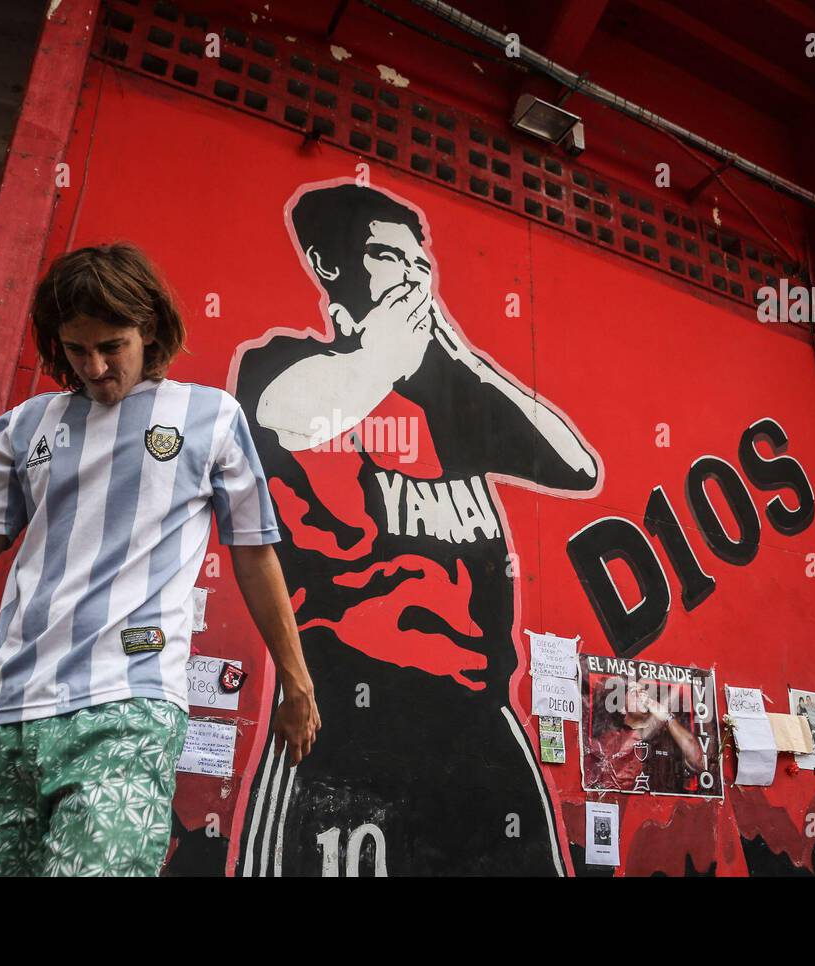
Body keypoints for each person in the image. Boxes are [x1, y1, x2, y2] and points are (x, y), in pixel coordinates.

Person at [0, 242, 320, 876]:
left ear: (151, 331)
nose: (94, 365)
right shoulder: (19, 429)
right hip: (7, 713)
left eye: (112, 346)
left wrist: (297, 682)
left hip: (128, 707)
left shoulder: (211, 418)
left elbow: (254, 556)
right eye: (77, 349)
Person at [232, 181, 603, 875]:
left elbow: (576, 465)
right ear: (332, 265)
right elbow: (291, 414)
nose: (410, 274)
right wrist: (382, 356)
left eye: (420, 263)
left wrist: (458, 357)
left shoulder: (450, 407)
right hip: (344, 708)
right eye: (386, 256)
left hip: (479, 718)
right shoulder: (285, 362)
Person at [584, 676, 706, 794]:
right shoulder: (610, 740)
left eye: (642, 691)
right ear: (621, 708)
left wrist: (667, 718)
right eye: (634, 692)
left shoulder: (667, 734)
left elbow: (698, 762)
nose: (641, 695)